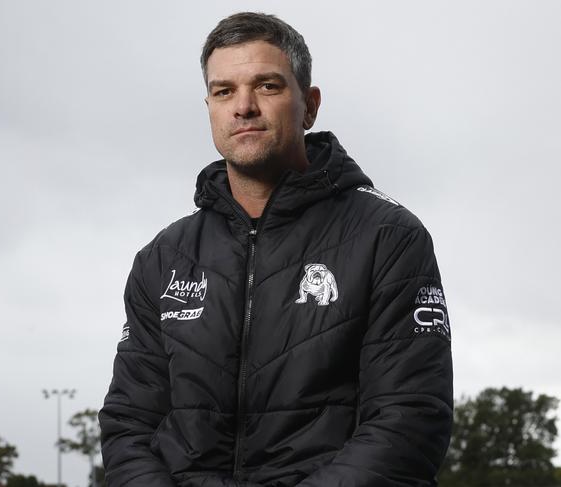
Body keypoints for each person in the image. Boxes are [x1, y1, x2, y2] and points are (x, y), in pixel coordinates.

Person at [99, 11, 453, 487]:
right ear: (210, 107)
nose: (243, 106)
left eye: (266, 86)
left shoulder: (388, 237)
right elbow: (129, 426)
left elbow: (407, 422)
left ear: (309, 106)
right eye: (224, 91)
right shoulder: (164, 259)